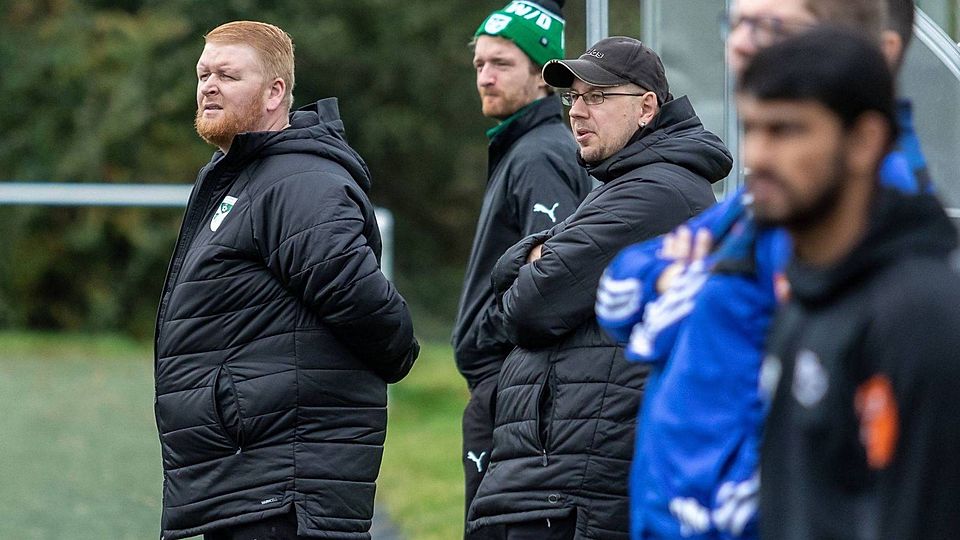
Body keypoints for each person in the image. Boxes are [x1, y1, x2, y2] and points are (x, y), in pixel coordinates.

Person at [595, 1, 930, 539]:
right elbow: (616, 293)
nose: (742, 43)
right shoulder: (766, 195)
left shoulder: (852, 204)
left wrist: (726, 509)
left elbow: (822, 406)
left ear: (877, 52)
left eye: (772, 25)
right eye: (738, 23)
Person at [153, 21, 419, 540]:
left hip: (285, 488)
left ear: (275, 92)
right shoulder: (247, 175)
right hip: (253, 481)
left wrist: (400, 354)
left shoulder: (299, 183)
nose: (209, 87)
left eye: (228, 75)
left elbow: (371, 310)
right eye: (203, 74)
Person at [467, 37, 732, 539]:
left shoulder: (658, 191)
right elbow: (518, 280)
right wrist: (534, 254)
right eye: (573, 97)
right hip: (559, 482)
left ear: (646, 108)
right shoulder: (622, 186)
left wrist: (535, 256)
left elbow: (529, 305)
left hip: (579, 490)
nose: (577, 111)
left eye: (598, 97)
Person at [742, 27, 960, 539]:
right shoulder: (809, 290)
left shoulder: (919, 314)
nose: (759, 156)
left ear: (864, 141)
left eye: (787, 130)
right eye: (751, 128)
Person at [454, 2, 592, 537]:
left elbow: (553, 279)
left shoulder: (540, 155)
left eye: (502, 64)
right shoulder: (521, 148)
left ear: (542, 76)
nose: (485, 77)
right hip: (503, 387)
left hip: (513, 389)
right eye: (480, 64)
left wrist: (494, 349)